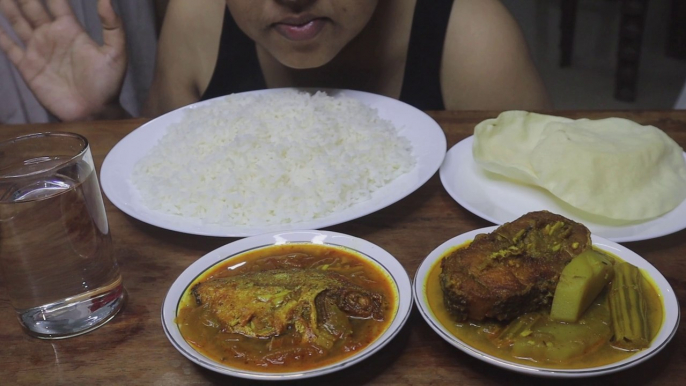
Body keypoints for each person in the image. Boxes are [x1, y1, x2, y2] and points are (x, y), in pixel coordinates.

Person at [0, 0, 551, 122]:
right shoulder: (197, 20)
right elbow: (160, 195)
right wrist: (98, 117)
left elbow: (542, 225)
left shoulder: (472, 36)